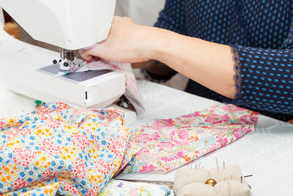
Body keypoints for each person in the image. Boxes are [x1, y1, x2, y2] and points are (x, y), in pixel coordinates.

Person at [81, 0, 293, 121]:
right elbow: (173, 35)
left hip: (273, 128)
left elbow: (287, 78)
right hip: (201, 121)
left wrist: (152, 40)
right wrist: (135, 50)